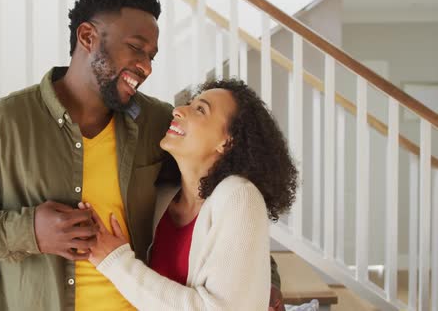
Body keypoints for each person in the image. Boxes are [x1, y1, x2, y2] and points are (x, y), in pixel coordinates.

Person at [0, 0, 283, 310]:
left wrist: (264, 279)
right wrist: (29, 231)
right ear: (88, 37)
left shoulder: (155, 121)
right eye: (136, 49)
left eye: (151, 56)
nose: (146, 67)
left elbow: (216, 192)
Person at [82, 79, 298, 310]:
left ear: (226, 143)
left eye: (200, 110)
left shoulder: (240, 196)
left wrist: (116, 262)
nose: (178, 110)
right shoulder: (162, 198)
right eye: (189, 104)